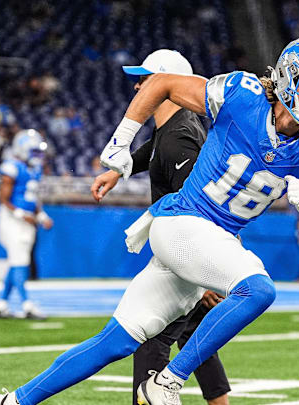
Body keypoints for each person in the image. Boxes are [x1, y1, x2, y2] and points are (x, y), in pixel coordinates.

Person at [0, 34, 299, 405]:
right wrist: (120, 142)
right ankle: (166, 382)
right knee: (259, 289)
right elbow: (161, 83)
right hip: (184, 222)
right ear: (287, 75)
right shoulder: (242, 92)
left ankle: (12, 401)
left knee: (115, 341)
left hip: (207, 243)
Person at [90, 49, 231, 405]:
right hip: (184, 255)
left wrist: (207, 274)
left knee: (150, 338)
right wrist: (117, 171)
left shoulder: (181, 137)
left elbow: (203, 208)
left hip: (186, 257)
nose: (138, 86)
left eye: (146, 79)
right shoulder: (172, 128)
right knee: (196, 339)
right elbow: (151, 150)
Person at [0, 129, 54, 320]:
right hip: (12, 220)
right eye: (34, 151)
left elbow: (33, 198)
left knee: (16, 263)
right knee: (21, 262)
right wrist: (22, 214)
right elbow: (3, 199)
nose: (37, 156)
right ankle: (27, 305)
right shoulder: (11, 167)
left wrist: (42, 216)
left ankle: (1, 304)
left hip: (27, 221)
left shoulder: (34, 170)